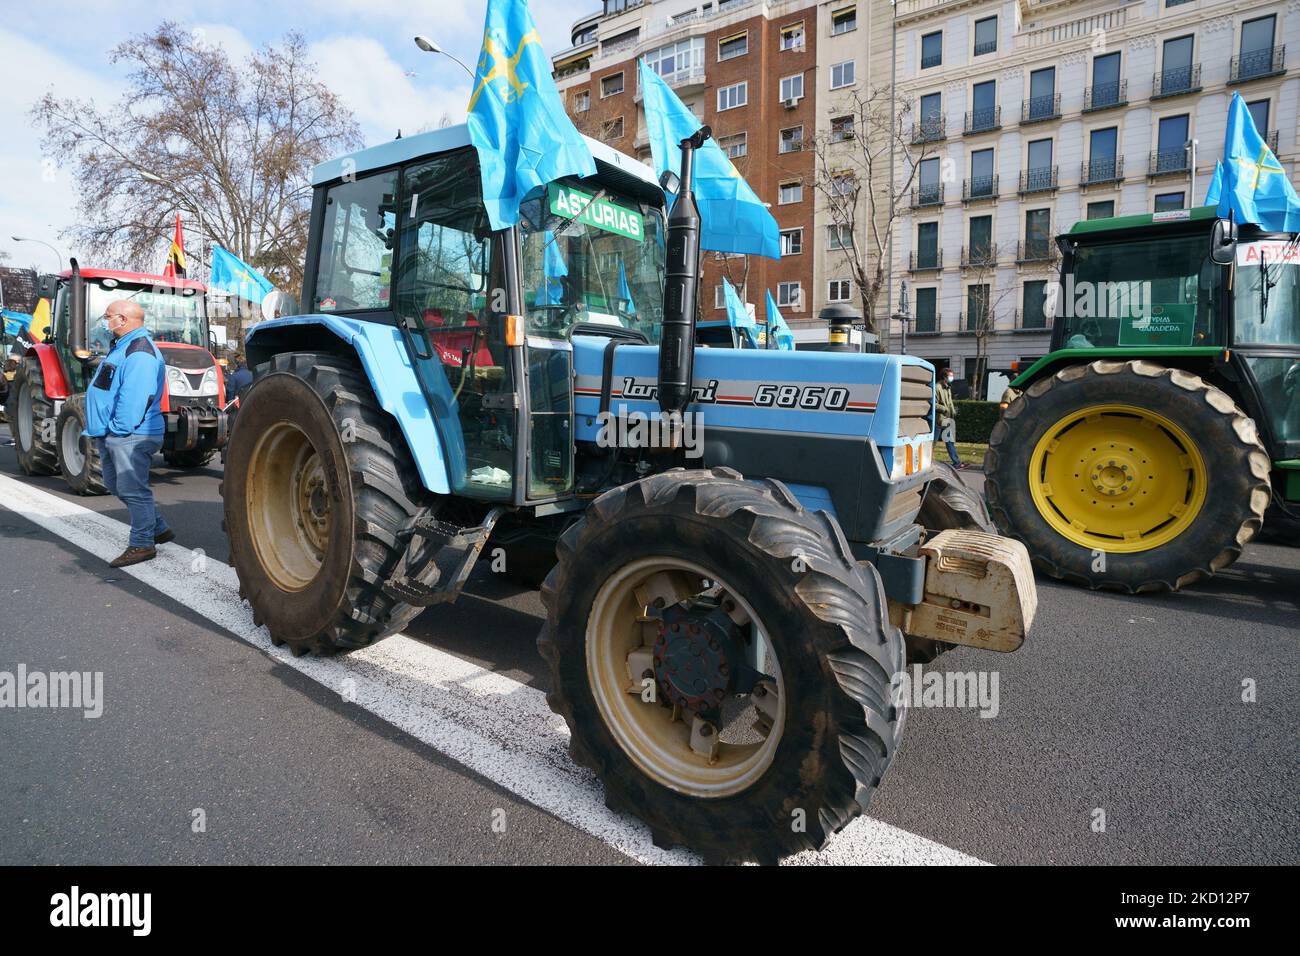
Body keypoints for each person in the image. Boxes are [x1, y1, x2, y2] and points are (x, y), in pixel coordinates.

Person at [85, 299, 173, 567]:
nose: (105, 321)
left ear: (122, 320)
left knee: (133, 489)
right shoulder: (125, 346)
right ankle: (157, 527)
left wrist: (117, 432)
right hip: (117, 433)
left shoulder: (140, 351)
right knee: (116, 484)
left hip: (129, 434)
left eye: (108, 316)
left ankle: (142, 544)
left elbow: (135, 398)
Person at [936, 367, 963, 469]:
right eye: (950, 376)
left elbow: (949, 402)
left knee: (950, 442)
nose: (952, 377)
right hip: (939, 420)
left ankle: (957, 463)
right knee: (932, 443)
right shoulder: (937, 387)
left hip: (948, 419)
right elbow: (933, 404)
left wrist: (953, 411)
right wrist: (945, 409)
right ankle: (926, 462)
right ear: (944, 377)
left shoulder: (948, 387)